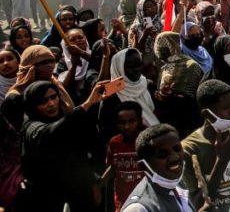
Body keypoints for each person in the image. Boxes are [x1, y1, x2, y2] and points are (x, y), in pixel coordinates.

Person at [19, 79, 108, 212]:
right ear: (32, 105)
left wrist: (93, 183)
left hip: (78, 194)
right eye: (43, 101)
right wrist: (85, 105)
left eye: (54, 97)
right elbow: (49, 135)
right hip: (47, 199)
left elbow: (82, 156)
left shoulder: (67, 120)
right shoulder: (31, 126)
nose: (51, 104)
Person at [181, 79, 230, 211]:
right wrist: (222, 160)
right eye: (226, 107)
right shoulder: (189, 149)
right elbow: (196, 204)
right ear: (206, 114)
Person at [122, 123, 193, 212]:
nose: (175, 157)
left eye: (177, 149)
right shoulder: (138, 208)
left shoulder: (178, 186)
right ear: (144, 166)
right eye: (163, 154)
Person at [102, 101, 146, 211]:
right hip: (122, 204)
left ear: (140, 121)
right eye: (122, 122)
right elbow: (112, 167)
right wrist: (98, 185)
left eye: (131, 121)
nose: (127, 126)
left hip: (145, 204)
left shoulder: (149, 142)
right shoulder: (115, 142)